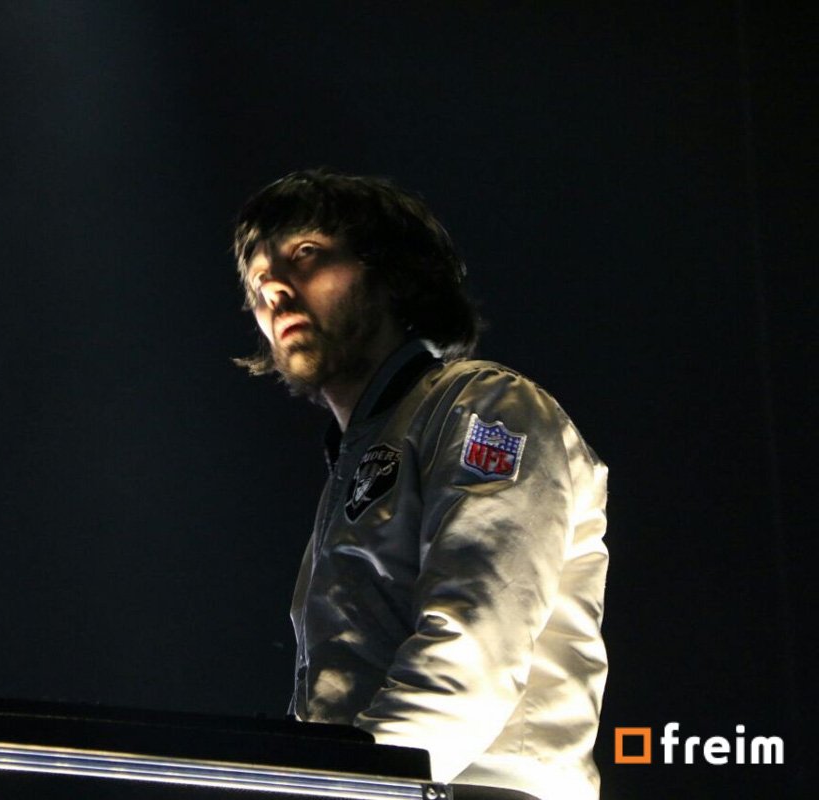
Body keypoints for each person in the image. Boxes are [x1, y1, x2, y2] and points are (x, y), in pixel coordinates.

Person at [233, 169, 609, 800]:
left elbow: (472, 656)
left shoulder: (485, 406)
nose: (273, 287)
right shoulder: (359, 463)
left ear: (390, 271)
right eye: (258, 279)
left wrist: (351, 790)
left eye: (305, 253)